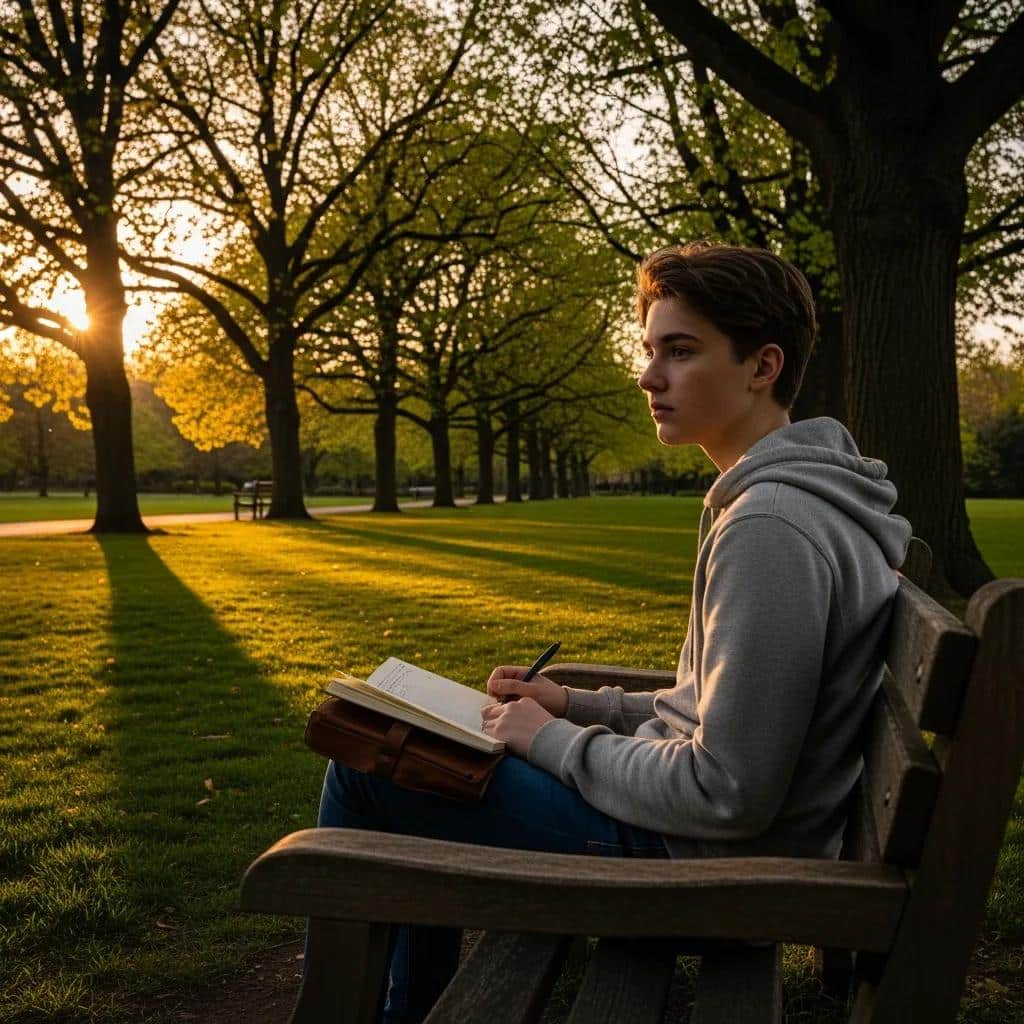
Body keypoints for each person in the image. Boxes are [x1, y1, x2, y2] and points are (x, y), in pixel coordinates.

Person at [313, 241, 912, 1023]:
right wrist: (574, 706)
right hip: (715, 843)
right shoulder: (786, 500)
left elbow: (728, 794)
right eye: (649, 350)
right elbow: (709, 710)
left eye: (681, 351)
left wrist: (547, 742)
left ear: (763, 366)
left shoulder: (772, 525)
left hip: (707, 868)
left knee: (374, 762)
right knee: (411, 750)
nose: (648, 377)